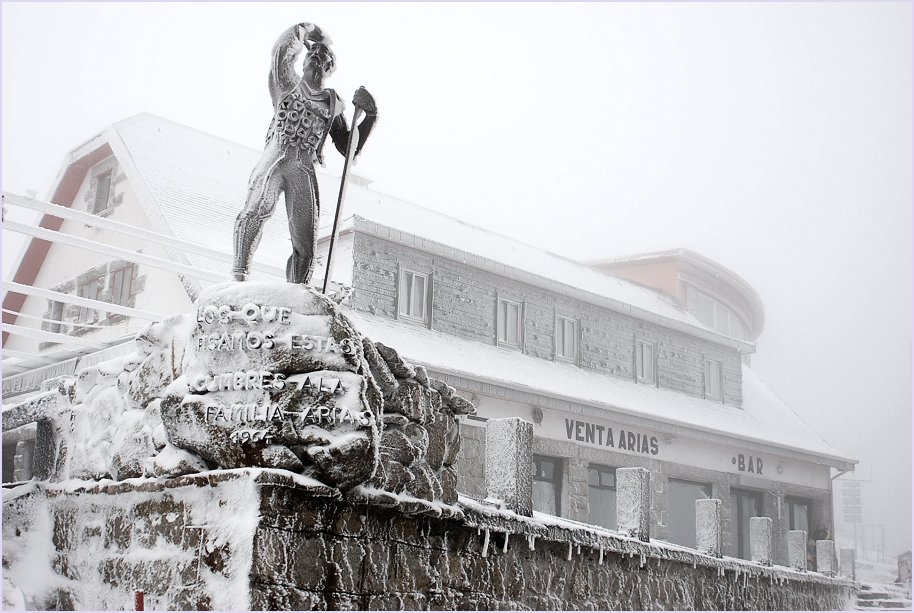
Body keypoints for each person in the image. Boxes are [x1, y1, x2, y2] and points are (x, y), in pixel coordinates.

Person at [233, 22, 377, 284]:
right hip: (277, 155)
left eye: (321, 56)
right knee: (256, 209)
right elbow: (280, 51)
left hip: (303, 166)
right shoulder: (287, 85)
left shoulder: (332, 104)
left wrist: (370, 116)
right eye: (311, 54)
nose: (314, 57)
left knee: (306, 243)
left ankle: (297, 293)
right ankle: (239, 276)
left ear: (329, 66)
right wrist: (308, 29)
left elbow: (348, 147)